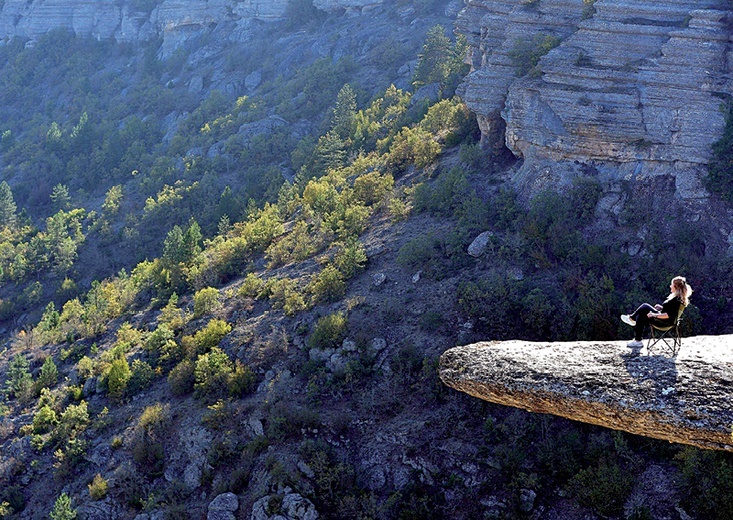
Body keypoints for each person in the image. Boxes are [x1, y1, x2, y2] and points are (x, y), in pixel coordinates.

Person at [620, 276, 692, 348]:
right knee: (641, 314)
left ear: (676, 287)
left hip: (664, 322)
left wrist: (654, 315)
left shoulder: (675, 300)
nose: (670, 286)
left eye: (672, 285)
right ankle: (637, 337)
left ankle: (632, 321)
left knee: (644, 308)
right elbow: (671, 311)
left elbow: (668, 315)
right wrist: (661, 307)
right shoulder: (679, 299)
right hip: (667, 320)